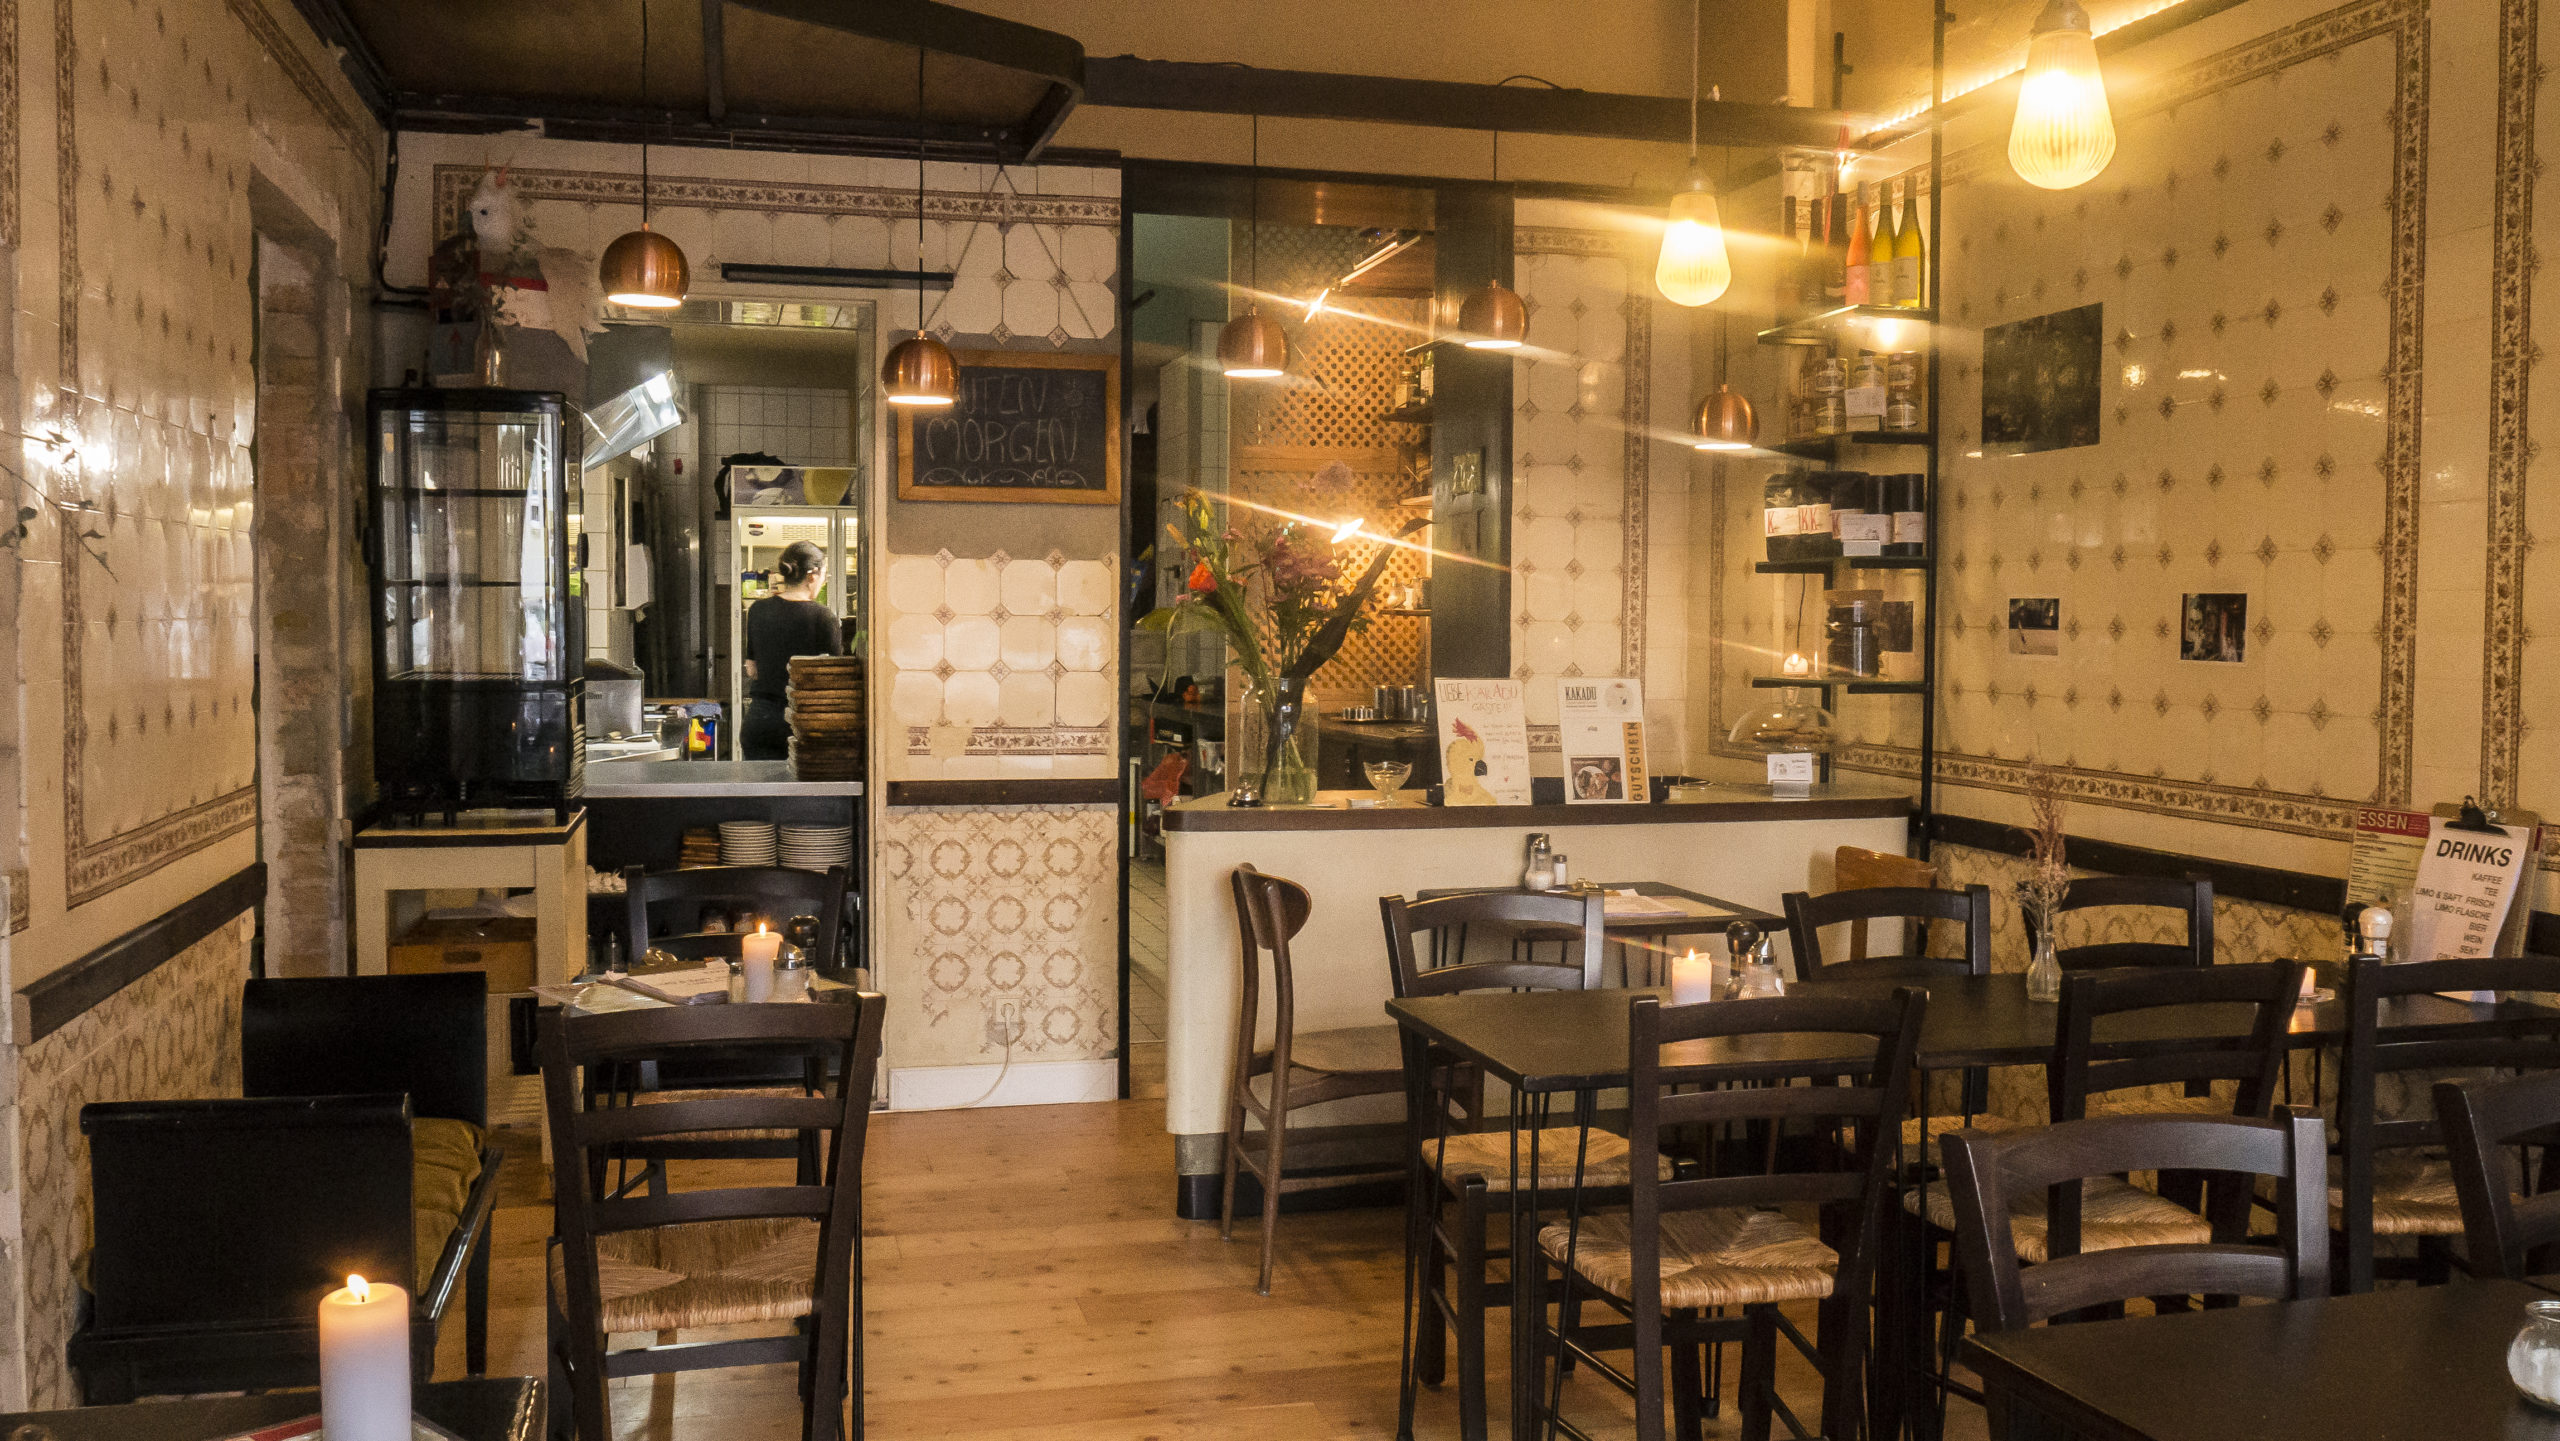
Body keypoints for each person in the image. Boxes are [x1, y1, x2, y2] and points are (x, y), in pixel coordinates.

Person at [741, 540, 840, 760]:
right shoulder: (824, 617)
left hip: (761, 721)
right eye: (824, 575)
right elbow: (833, 681)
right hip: (803, 722)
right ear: (812, 575)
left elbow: (752, 669)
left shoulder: (758, 610)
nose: (823, 581)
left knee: (760, 783)